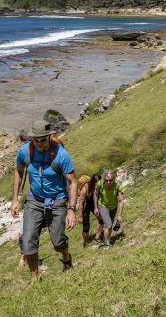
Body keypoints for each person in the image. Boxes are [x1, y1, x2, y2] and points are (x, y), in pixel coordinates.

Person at [11, 120, 77, 282]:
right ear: (32, 138)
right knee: (27, 242)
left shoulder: (61, 155)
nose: (39, 143)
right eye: (36, 140)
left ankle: (66, 257)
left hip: (57, 201)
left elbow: (73, 182)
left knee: (57, 241)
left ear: (49, 137)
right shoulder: (24, 152)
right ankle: (35, 277)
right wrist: (14, 199)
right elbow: (18, 172)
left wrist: (71, 210)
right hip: (34, 200)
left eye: (43, 139)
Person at [94, 170, 124, 250]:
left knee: (110, 226)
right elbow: (95, 195)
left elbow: (121, 201)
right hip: (103, 206)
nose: (108, 182)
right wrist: (96, 207)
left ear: (114, 179)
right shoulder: (100, 184)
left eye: (110, 180)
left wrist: (120, 215)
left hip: (113, 207)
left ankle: (108, 240)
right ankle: (107, 243)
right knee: (108, 225)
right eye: (106, 180)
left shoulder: (118, 186)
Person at [77, 174, 101, 247]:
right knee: (86, 227)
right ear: (92, 182)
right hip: (85, 206)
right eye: (95, 184)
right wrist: (80, 216)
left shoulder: (100, 186)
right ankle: (85, 242)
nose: (97, 185)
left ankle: (98, 236)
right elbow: (80, 203)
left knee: (102, 219)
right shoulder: (85, 188)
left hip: (94, 204)